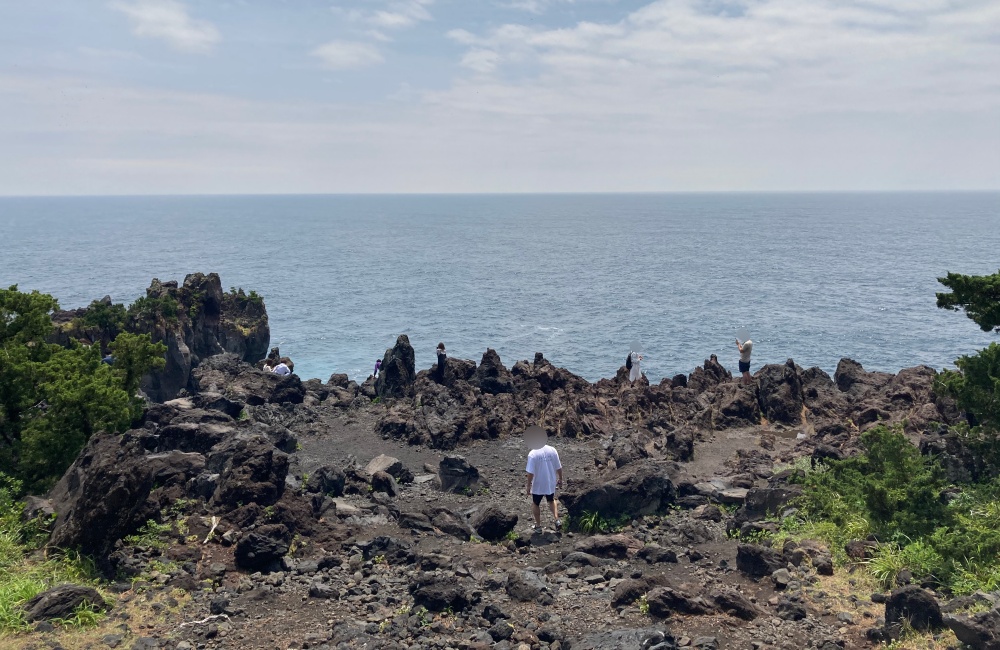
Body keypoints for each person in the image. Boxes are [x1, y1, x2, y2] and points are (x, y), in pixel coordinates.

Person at [525, 428, 563, 531]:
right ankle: (557, 519)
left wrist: (528, 485)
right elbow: (558, 467)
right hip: (550, 481)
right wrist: (560, 479)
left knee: (536, 503)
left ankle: (538, 526)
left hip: (538, 484)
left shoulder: (533, 454)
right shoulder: (552, 450)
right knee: (551, 500)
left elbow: (530, 473)